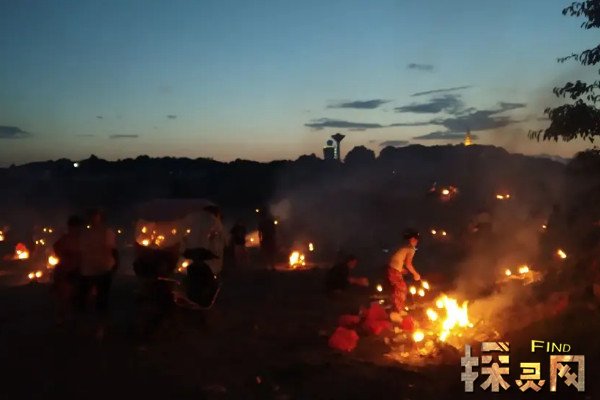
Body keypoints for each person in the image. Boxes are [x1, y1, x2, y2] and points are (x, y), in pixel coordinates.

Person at [78, 209, 118, 340]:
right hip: (88, 270)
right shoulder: (85, 234)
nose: (93, 220)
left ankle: (100, 327)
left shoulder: (107, 232)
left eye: (96, 217)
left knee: (102, 299)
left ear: (100, 218)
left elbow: (112, 250)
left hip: (103, 269)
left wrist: (113, 266)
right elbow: (82, 251)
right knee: (84, 298)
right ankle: (87, 325)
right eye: (91, 217)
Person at [52, 215, 83, 326]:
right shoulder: (65, 239)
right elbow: (56, 248)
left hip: (78, 271)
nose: (75, 229)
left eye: (77, 227)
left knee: (76, 297)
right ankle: (62, 319)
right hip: (66, 272)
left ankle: (73, 319)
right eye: (73, 227)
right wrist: (67, 256)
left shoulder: (82, 239)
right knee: (64, 297)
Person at [388, 230, 422, 312]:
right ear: (413, 239)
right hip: (394, 269)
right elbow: (408, 264)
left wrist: (401, 269)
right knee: (401, 288)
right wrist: (416, 274)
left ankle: (396, 309)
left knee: (397, 288)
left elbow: (396, 258)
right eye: (416, 240)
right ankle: (398, 310)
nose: (417, 242)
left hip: (392, 268)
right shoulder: (411, 248)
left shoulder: (404, 246)